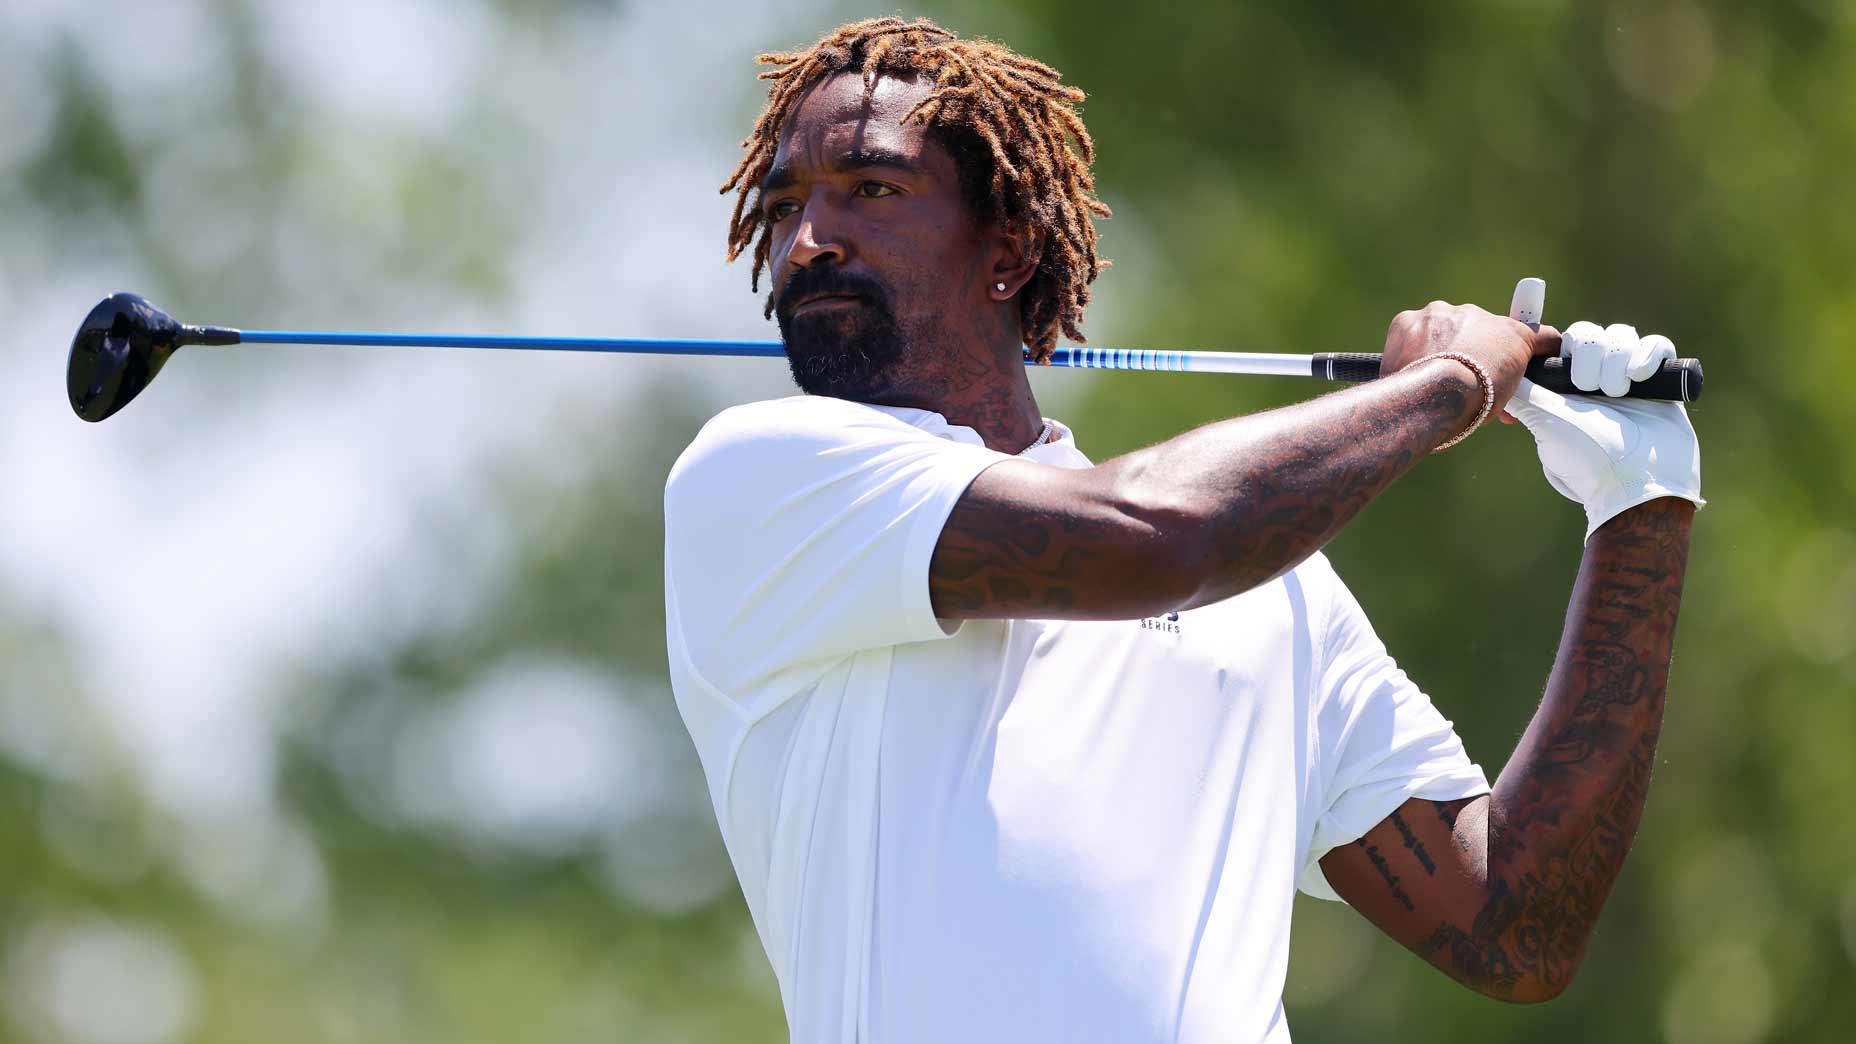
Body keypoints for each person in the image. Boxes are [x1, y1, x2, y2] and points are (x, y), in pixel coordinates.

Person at [663, 17, 1703, 1043]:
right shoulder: (758, 483)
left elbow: (1512, 928)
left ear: (1011, 248)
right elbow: (1156, 539)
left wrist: (1639, 506)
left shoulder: (1276, 578)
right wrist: (1450, 385)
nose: (808, 241)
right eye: (786, 205)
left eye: (870, 189)